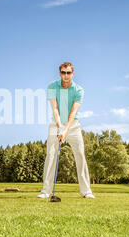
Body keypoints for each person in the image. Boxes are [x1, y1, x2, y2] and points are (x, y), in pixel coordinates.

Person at [37, 62, 95, 199]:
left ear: (73, 74)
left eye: (68, 73)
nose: (66, 75)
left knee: (80, 155)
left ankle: (86, 191)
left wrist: (65, 130)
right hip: (55, 124)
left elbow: (73, 113)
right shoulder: (52, 87)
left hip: (73, 125)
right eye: (63, 72)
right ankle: (46, 191)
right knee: (50, 155)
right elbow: (55, 109)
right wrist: (59, 128)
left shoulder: (79, 90)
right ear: (60, 73)